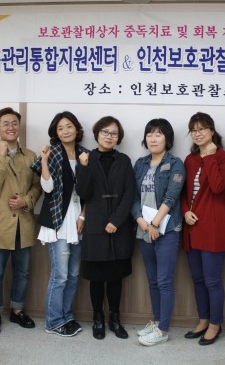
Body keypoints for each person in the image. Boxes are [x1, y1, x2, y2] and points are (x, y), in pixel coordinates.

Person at [0, 107, 42, 336]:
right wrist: (2, 154)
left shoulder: (31, 155)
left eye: (14, 123)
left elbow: (37, 186)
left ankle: (17, 311)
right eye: (5, 124)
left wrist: (26, 200)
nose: (11, 127)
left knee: (22, 272)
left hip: (23, 222)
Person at [75, 116, 135, 340]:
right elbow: (83, 193)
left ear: (119, 138)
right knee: (97, 278)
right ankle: (97, 319)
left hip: (119, 227)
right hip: (95, 226)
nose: (109, 137)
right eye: (105, 132)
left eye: (114, 133)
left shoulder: (124, 160)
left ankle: (115, 320)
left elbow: (129, 194)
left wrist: (116, 220)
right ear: (97, 133)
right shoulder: (86, 158)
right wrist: (83, 167)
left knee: (116, 278)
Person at [30, 111, 88, 337]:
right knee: (60, 275)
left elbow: (89, 190)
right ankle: (53, 322)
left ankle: (66, 316)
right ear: (56, 132)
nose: (65, 131)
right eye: (60, 128)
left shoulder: (85, 154)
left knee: (73, 275)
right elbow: (47, 188)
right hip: (57, 219)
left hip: (78, 219)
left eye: (69, 126)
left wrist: (83, 216)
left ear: (77, 128)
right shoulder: (52, 152)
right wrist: (44, 160)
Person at [181, 112, 225, 346]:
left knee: (212, 281)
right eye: (193, 130)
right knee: (198, 279)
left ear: (212, 131)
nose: (198, 133)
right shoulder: (190, 159)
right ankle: (203, 320)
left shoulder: (224, 157)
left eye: (202, 128)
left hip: (213, 227)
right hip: (192, 228)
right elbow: (184, 193)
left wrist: (211, 157)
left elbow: (218, 188)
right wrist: (185, 211)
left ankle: (215, 323)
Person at [131, 119, 186, 347]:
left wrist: (154, 224)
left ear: (167, 139)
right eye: (149, 134)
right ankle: (156, 322)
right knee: (152, 280)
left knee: (164, 280)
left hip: (167, 229)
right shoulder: (140, 164)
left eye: (158, 134)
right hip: (143, 229)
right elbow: (132, 196)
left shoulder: (175, 163)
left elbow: (171, 197)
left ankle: (163, 329)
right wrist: (141, 222)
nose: (153, 139)